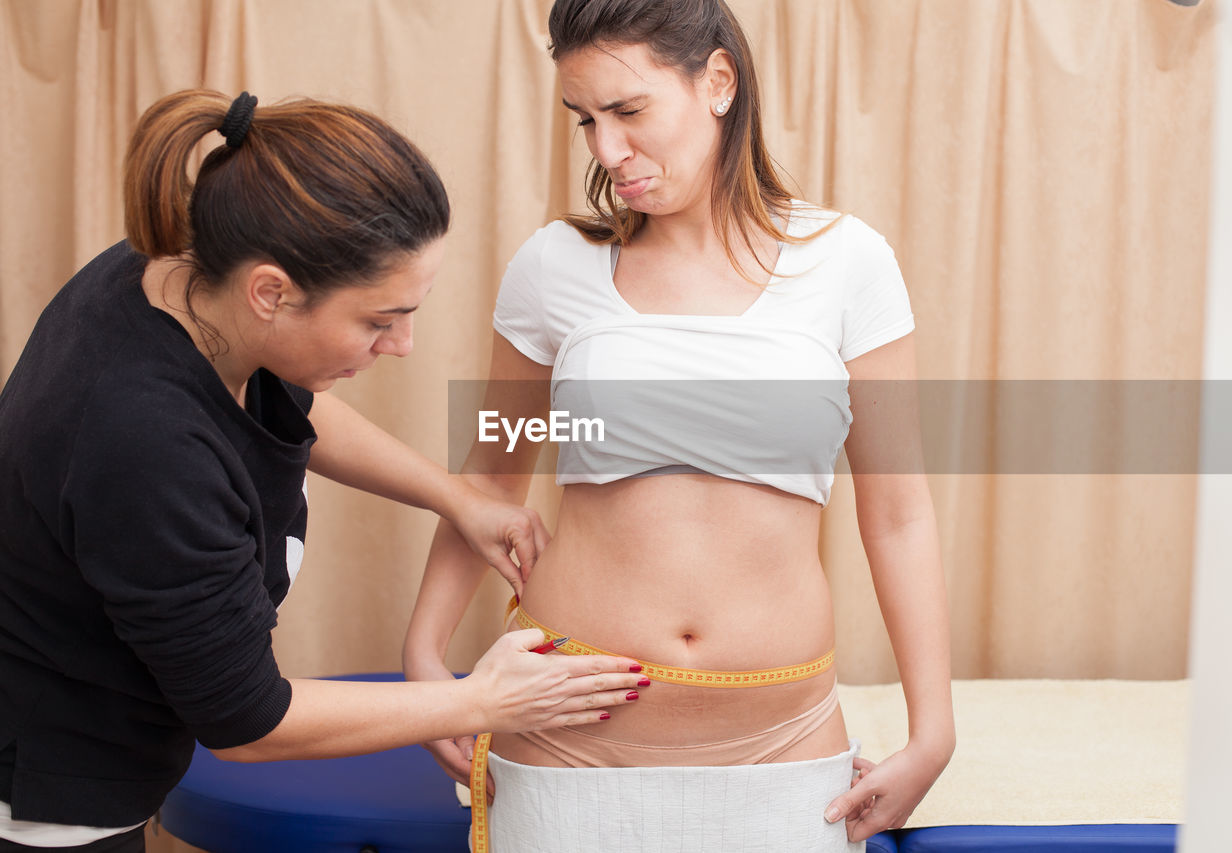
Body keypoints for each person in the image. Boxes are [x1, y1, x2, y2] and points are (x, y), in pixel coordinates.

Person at [0, 89, 650, 853]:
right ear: (270, 292)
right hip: (53, 790)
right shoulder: (143, 442)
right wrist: (483, 697)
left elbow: (283, 402)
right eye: (379, 320)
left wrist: (456, 497)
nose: (403, 344)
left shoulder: (186, 276)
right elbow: (249, 723)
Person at [403, 1, 955, 851]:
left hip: (783, 750)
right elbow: (491, 471)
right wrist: (424, 654)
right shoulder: (555, 266)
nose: (605, 149)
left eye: (628, 112)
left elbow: (899, 510)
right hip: (565, 748)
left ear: (719, 82)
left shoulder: (848, 264)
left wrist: (933, 728)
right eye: (584, 120)